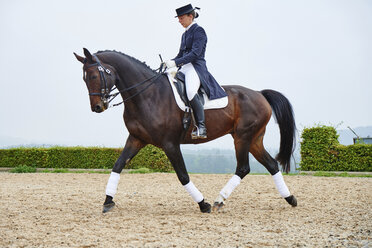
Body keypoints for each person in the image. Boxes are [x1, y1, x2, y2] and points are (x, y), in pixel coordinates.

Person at [164, 4, 227, 139]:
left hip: (195, 67)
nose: (179, 21)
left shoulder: (199, 31)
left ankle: (201, 127)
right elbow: (181, 54)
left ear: (190, 16)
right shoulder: (184, 34)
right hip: (184, 67)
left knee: (191, 91)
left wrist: (176, 62)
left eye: (181, 18)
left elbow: (196, 54)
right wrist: (170, 62)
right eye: (178, 18)